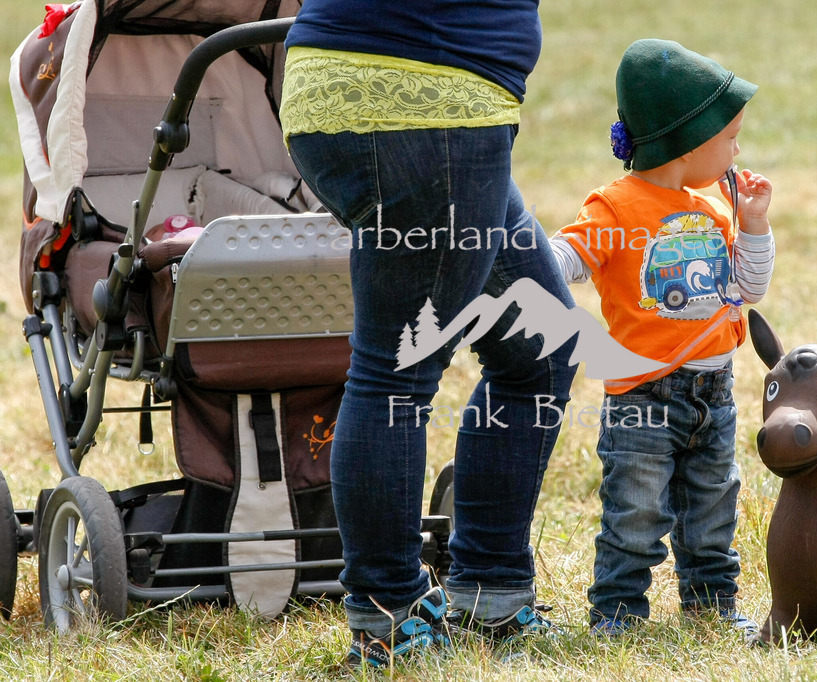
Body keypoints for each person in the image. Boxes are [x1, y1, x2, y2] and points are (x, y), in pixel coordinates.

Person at [280, 2, 578, 668]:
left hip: (348, 91)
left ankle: (490, 595)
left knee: (541, 348)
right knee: (396, 369)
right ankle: (393, 623)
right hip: (431, 104)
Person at [549, 39, 776, 639]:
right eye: (730, 137)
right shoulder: (617, 207)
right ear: (691, 139)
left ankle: (713, 603)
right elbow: (568, 256)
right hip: (644, 398)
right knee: (635, 512)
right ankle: (618, 612)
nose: (736, 150)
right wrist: (539, 257)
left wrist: (753, 227)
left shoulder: (716, 206)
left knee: (713, 505)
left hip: (715, 391)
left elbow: (748, 290)